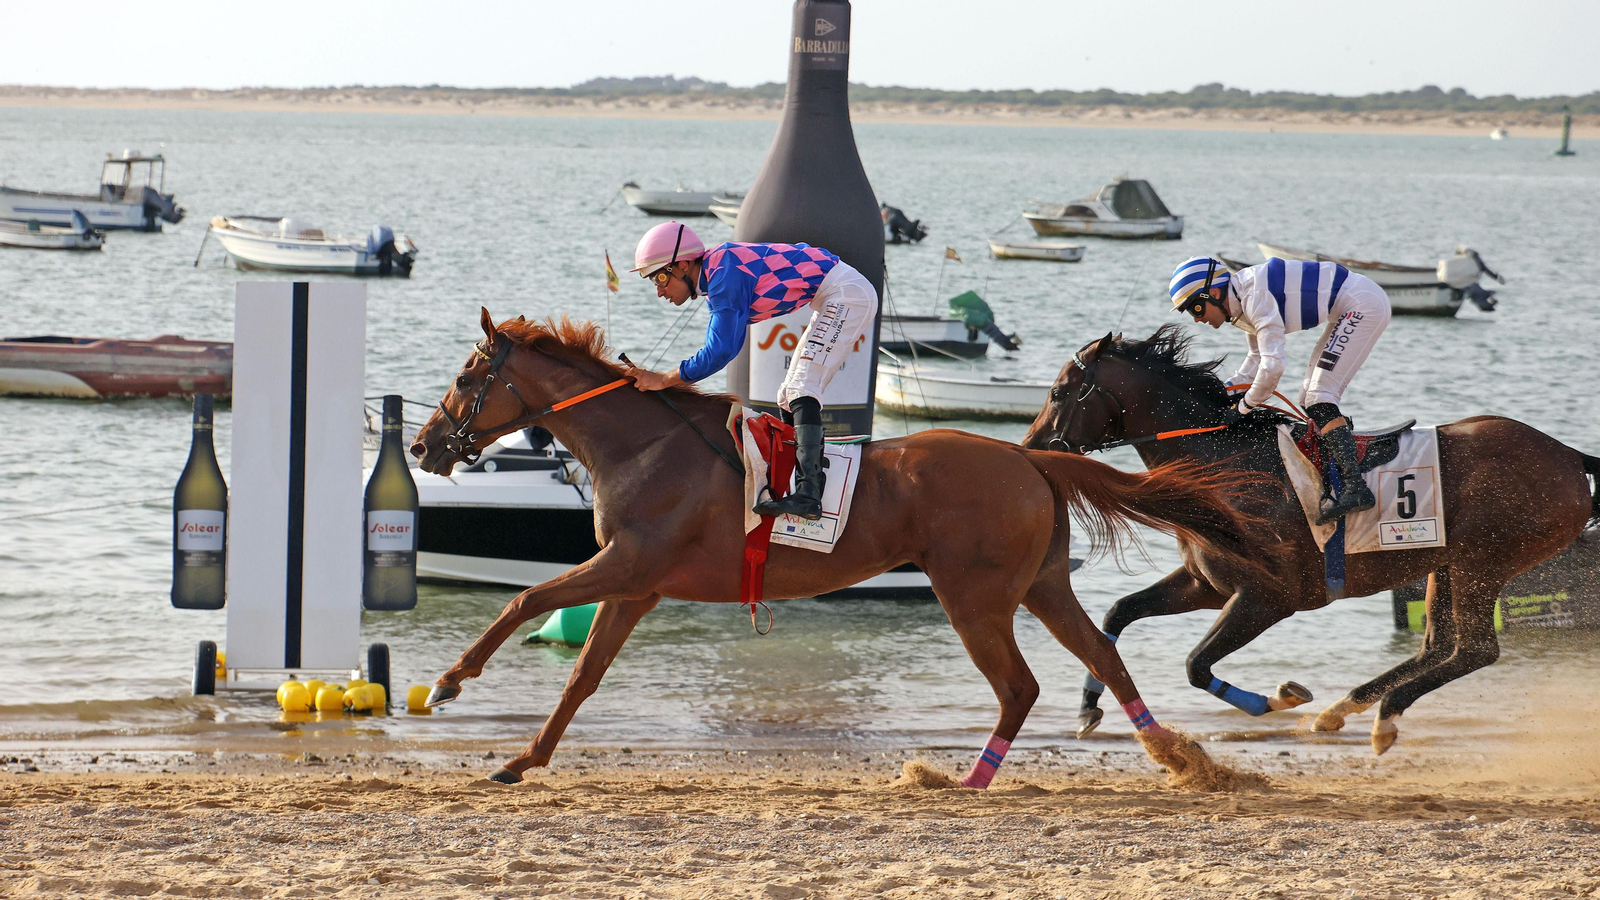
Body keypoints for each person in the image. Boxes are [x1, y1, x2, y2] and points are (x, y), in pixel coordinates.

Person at [624, 221, 878, 521]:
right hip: (836, 294)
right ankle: (795, 484)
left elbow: (721, 351)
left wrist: (665, 379)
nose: (659, 291)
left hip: (847, 295)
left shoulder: (723, 274)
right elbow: (722, 346)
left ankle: (809, 494)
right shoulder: (718, 272)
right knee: (788, 395)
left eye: (660, 277)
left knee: (801, 387)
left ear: (682, 265)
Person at [1169, 255, 1392, 524]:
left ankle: (1356, 488)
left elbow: (1273, 367)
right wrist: (1224, 391)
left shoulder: (1254, 298)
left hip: (1362, 304)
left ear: (1213, 293)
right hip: (1350, 305)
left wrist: (1244, 407)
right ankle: (1340, 471)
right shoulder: (1240, 299)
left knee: (1320, 398)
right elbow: (1256, 359)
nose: (1196, 319)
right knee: (1308, 398)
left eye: (1194, 308)